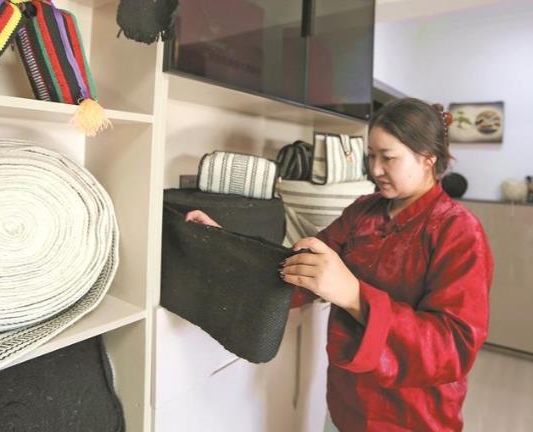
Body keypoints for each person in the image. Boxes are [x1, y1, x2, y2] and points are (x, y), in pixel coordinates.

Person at [186, 98, 493, 432]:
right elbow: (301, 266)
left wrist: (354, 296)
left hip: (413, 415)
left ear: (428, 158)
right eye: (371, 156)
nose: (375, 170)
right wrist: (226, 243)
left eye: (388, 157)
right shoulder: (363, 211)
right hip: (347, 400)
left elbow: (453, 348)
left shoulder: (458, 231)